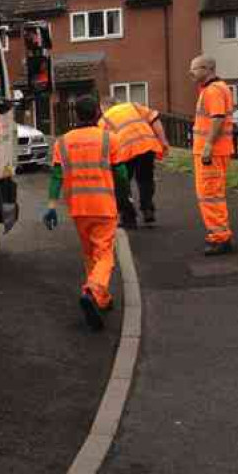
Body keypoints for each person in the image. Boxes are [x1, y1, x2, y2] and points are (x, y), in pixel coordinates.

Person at [43, 95, 129, 331]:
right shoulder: (109, 139)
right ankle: (92, 290)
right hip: (103, 205)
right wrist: (125, 198)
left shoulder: (62, 142)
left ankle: (101, 298)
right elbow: (120, 173)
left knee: (90, 253)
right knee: (105, 254)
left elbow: (56, 176)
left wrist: (51, 206)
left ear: (76, 115)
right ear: (98, 114)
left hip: (78, 208)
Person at [99, 96, 169, 227]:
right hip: (146, 145)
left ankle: (129, 217)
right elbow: (154, 119)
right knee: (145, 179)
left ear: (104, 108)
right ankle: (147, 209)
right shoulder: (133, 106)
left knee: (123, 184)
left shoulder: (104, 119)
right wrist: (163, 140)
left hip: (125, 151)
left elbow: (104, 143)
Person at [189, 55, 235, 256]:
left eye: (194, 69)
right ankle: (219, 235)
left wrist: (207, 146)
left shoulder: (213, 90)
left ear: (207, 68)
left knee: (210, 195)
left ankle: (220, 238)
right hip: (214, 151)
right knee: (211, 194)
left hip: (212, 153)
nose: (191, 73)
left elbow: (218, 118)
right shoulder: (215, 89)